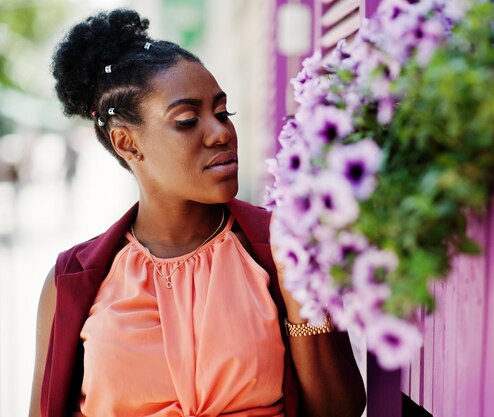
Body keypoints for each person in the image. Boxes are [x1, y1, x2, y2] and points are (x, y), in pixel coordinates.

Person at [29, 9, 366, 417]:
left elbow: (338, 410)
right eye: (188, 120)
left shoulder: (280, 244)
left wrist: (300, 291)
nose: (221, 132)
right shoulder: (73, 279)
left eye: (223, 113)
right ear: (127, 143)